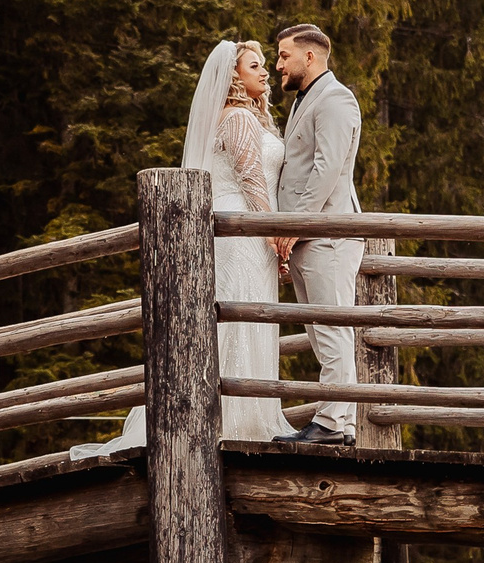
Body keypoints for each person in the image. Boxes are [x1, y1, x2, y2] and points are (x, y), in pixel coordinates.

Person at [71, 40, 288, 457]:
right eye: (255, 66)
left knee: (237, 314)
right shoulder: (240, 116)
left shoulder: (243, 117)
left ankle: (229, 417)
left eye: (265, 66)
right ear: (234, 78)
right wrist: (272, 234)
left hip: (239, 227)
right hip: (244, 227)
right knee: (240, 315)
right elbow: (252, 180)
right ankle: (237, 422)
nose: (264, 73)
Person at [269, 23, 363, 446]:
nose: (277, 65)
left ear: (310, 57)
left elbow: (327, 170)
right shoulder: (304, 102)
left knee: (331, 330)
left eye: (284, 56)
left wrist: (295, 225)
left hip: (327, 234)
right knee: (321, 332)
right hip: (309, 237)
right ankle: (340, 424)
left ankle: (329, 423)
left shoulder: (337, 98)